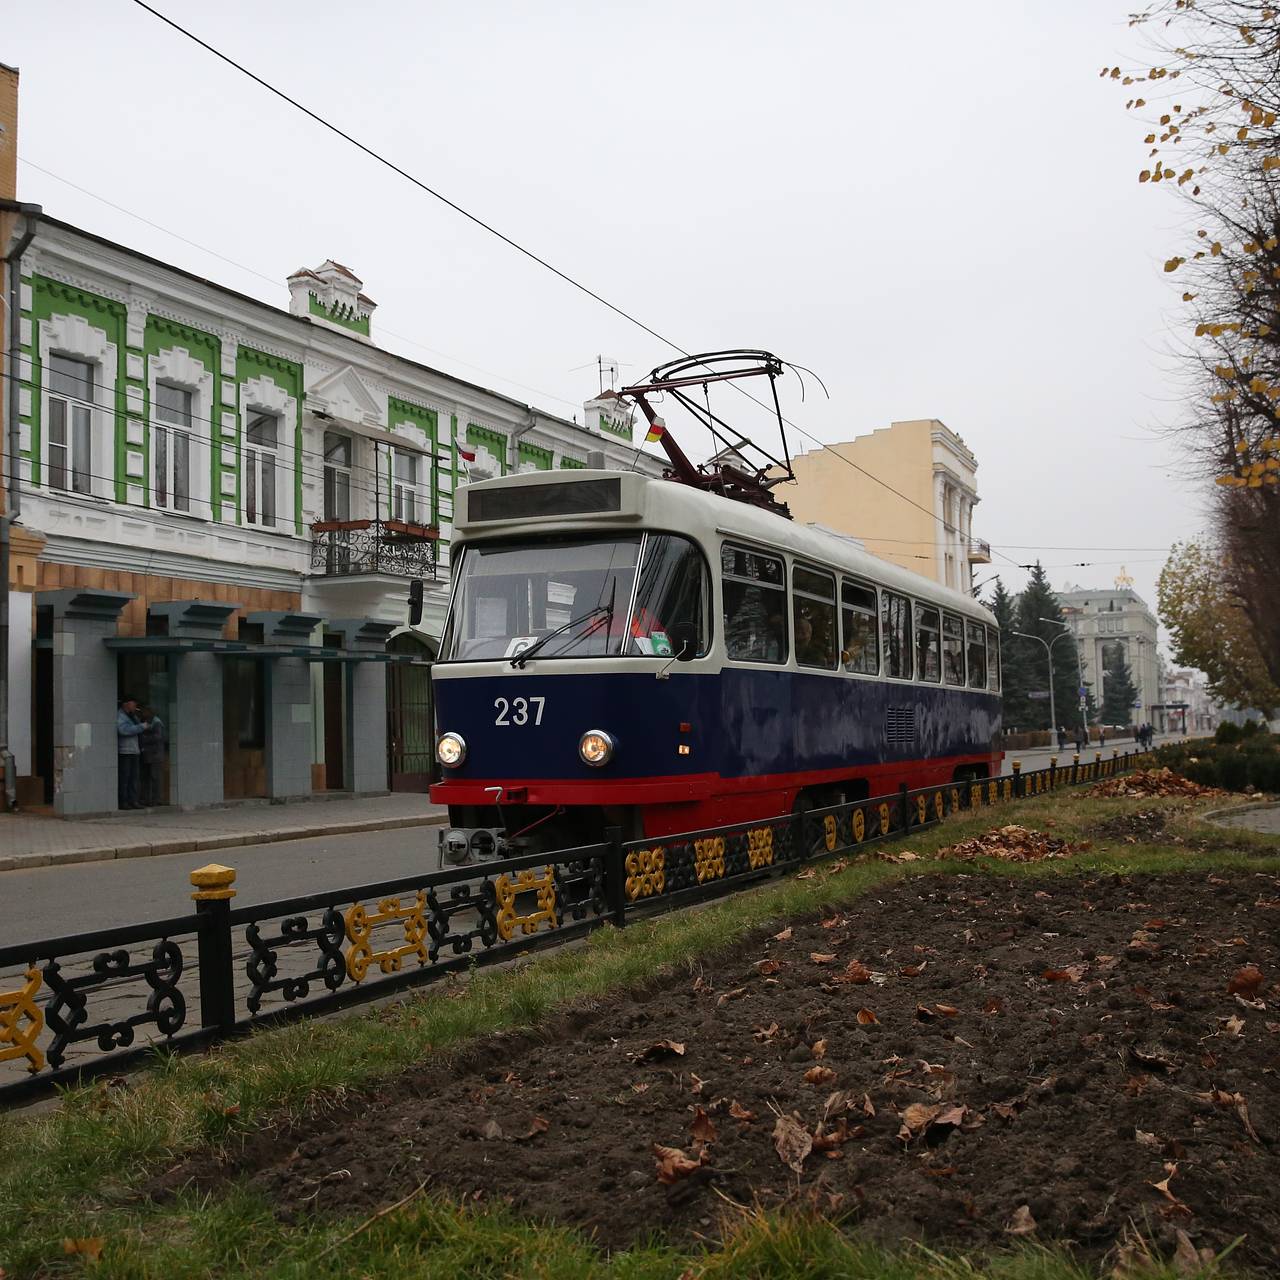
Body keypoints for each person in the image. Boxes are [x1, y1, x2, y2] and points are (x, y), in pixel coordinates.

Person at [117, 695, 145, 810]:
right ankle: (124, 801)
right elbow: (123, 730)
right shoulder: (120, 716)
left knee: (134, 777)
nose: (135, 706)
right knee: (125, 777)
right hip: (125, 751)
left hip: (134, 750)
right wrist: (141, 727)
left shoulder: (133, 716)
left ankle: (134, 800)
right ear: (126, 704)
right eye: (133, 704)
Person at [139, 706, 167, 807]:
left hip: (155, 755)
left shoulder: (156, 722)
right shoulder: (148, 721)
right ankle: (148, 799)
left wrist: (144, 738)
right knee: (147, 778)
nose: (142, 713)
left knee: (155, 778)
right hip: (149, 754)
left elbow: (158, 737)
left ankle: (157, 799)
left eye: (144, 711)